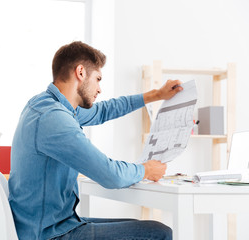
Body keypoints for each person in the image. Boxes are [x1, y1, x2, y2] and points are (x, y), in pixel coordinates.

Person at [9, 41, 183, 240]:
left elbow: (104, 110)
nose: (99, 89)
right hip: (50, 234)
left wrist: (157, 95)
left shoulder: (46, 106)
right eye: (98, 79)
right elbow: (110, 175)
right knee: (158, 233)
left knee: (141, 227)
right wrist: (146, 170)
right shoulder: (54, 118)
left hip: (49, 225)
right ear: (81, 72)